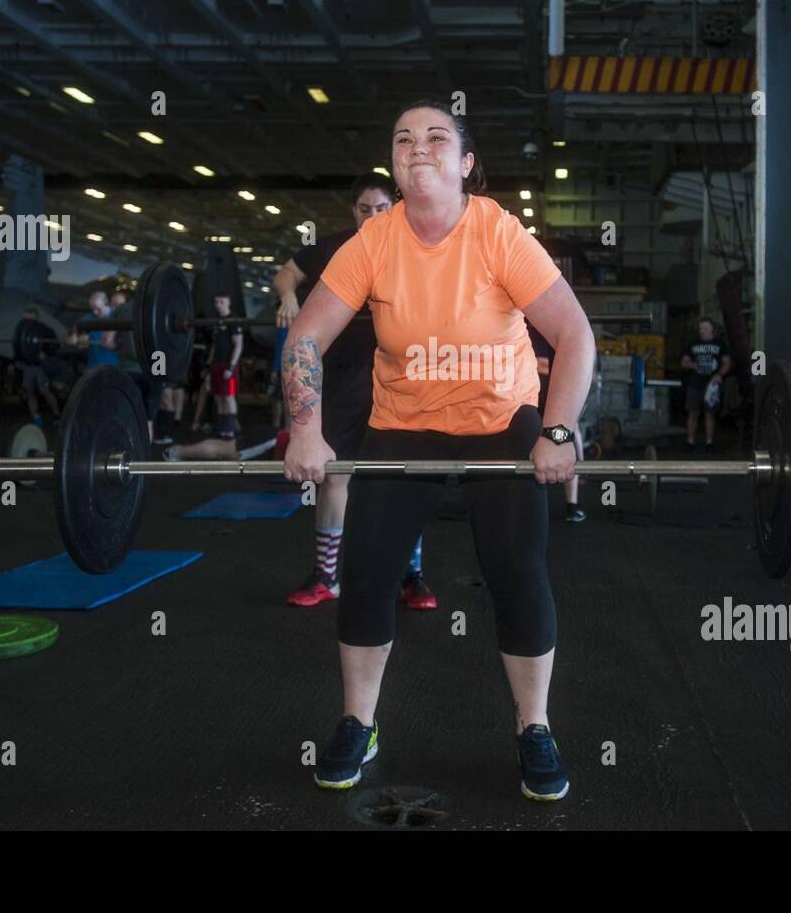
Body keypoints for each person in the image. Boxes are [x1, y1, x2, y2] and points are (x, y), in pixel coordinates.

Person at [282, 99, 595, 801]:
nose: (417, 147)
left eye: (435, 137)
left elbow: (574, 335)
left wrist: (556, 430)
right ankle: (358, 723)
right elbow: (304, 339)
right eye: (403, 139)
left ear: (465, 163)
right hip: (405, 420)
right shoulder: (374, 240)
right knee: (366, 572)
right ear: (393, 164)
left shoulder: (498, 232)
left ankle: (534, 727)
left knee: (516, 572)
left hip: (500, 417)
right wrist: (306, 428)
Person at [273, 175, 434, 610]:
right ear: (354, 211)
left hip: (398, 376)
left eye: (381, 209)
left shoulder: (413, 247)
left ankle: (412, 575)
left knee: (403, 477)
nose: (373, 217)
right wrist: (288, 298)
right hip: (342, 377)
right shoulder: (333, 247)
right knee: (335, 475)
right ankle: (327, 576)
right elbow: (287, 273)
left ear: (394, 208)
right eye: (365, 209)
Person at [528, 322, 586, 522]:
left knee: (566, 436)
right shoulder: (523, 327)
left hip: (553, 403)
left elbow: (553, 365)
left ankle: (572, 505)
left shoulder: (554, 331)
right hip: (531, 400)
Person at [679, 317, 732, 452]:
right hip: (695, 384)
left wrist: (719, 375)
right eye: (701, 328)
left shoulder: (720, 345)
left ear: (712, 330)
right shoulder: (693, 344)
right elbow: (684, 362)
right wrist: (692, 364)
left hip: (712, 386)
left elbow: (727, 363)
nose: (702, 331)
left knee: (710, 414)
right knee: (693, 414)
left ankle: (709, 443)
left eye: (705, 328)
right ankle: (690, 441)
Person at [15, 307, 60, 426]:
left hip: (40, 366)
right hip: (27, 366)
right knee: (29, 392)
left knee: (44, 391)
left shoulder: (44, 330)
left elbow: (55, 345)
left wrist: (46, 353)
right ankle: (36, 418)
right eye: (24, 318)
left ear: (34, 316)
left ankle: (56, 415)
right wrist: (18, 360)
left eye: (27, 317)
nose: (25, 320)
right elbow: (17, 345)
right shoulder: (20, 330)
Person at [207, 294, 243, 439]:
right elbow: (214, 345)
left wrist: (231, 367)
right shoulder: (216, 321)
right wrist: (209, 365)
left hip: (229, 366)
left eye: (221, 302)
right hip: (216, 365)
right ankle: (223, 427)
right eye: (216, 302)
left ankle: (231, 429)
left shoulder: (233, 320)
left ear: (228, 303)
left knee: (229, 396)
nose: (218, 304)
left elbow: (238, 345)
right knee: (219, 396)